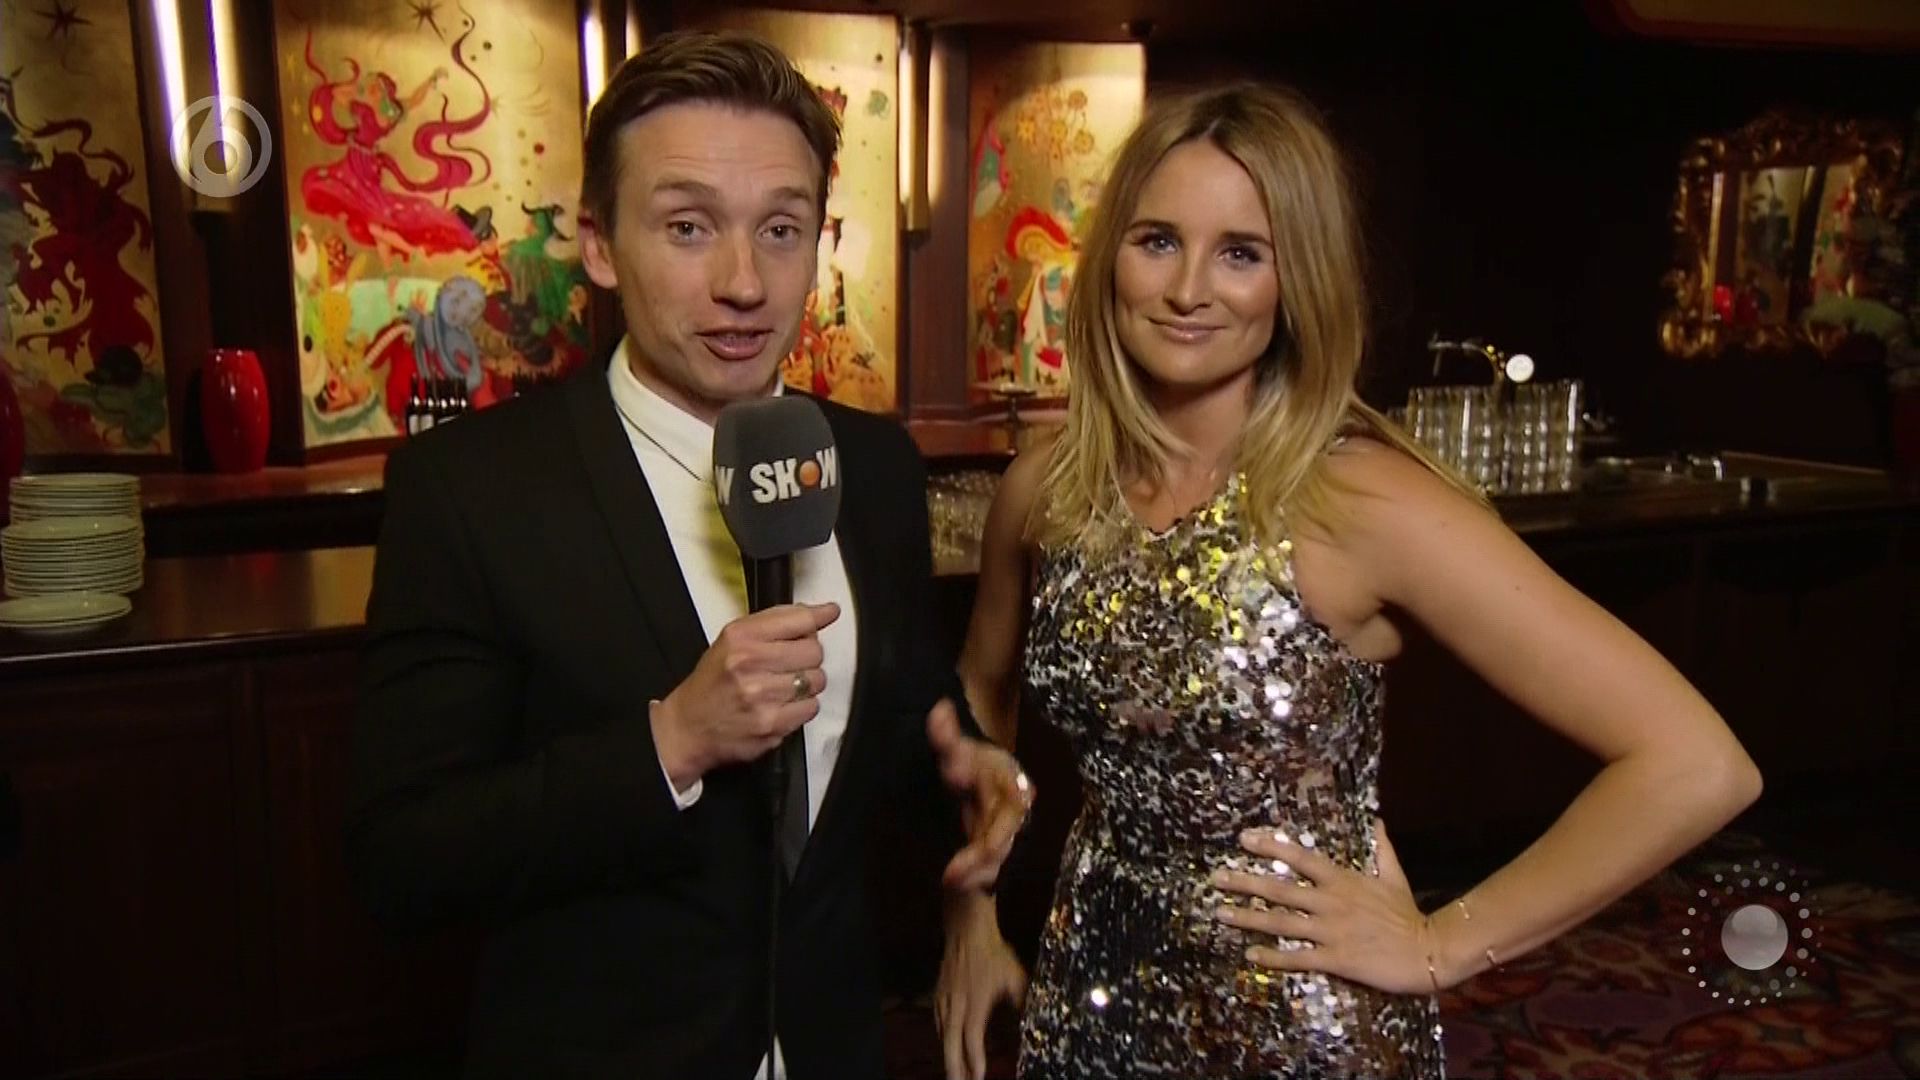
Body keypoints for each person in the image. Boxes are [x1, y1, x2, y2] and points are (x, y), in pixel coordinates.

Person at [936, 83, 1762, 1079]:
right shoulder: (1047, 488)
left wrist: (1442, 943)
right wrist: (970, 913)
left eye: (1242, 253)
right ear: (1110, 253)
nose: (1189, 288)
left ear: (1298, 281)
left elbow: (1695, 763)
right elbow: (980, 693)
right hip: (1088, 995)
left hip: (1301, 1025)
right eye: (1158, 240)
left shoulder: (1358, 501)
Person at [347, 30, 1030, 1080]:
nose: (743, 282)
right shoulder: (473, 491)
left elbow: (900, 713)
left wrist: (962, 766)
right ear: (600, 243)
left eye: (781, 230)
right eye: (687, 227)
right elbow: (403, 859)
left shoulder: (873, 465)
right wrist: (670, 743)